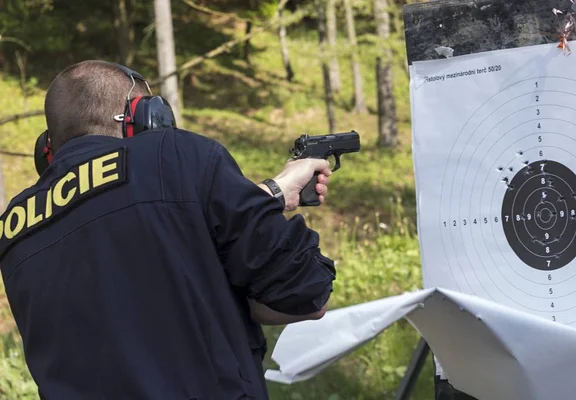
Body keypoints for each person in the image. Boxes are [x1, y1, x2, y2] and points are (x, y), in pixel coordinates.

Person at [0, 60, 337, 399]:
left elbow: (131, 281)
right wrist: (264, 202)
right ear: (141, 116)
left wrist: (270, 193)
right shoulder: (173, 154)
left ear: (48, 146)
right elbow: (304, 294)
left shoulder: (15, 227)